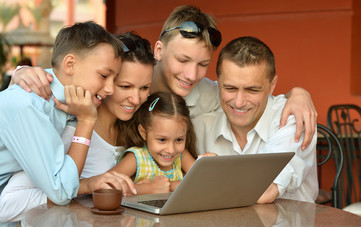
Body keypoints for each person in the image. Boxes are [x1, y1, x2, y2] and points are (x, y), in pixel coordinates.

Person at [12, 5, 317, 151]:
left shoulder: (205, 93)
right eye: (183, 60)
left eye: (202, 65)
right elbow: (76, 72)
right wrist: (20, 73)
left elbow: (249, 96)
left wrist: (298, 94)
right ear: (159, 49)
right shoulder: (119, 74)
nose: (191, 75)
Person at [0, 32, 153, 227]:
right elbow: (11, 202)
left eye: (145, 88)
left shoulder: (140, 126)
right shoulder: (66, 126)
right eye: (123, 85)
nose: (135, 98)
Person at [193, 36, 318, 204]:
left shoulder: (294, 118)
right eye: (230, 88)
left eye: (252, 90)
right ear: (218, 83)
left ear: (272, 85)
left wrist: (217, 173)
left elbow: (263, 190)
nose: (239, 102)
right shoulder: (200, 125)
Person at [111, 92, 197, 194]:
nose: (171, 150)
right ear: (143, 133)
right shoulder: (137, 158)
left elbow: (203, 180)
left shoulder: (181, 156)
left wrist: (171, 186)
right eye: (162, 140)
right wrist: (146, 189)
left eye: (179, 140)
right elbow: (107, 185)